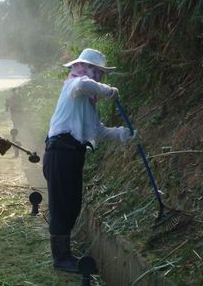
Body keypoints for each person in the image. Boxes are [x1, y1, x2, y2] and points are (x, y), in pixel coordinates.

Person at [43, 48, 137, 273]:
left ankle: (65, 254)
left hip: (73, 155)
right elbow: (84, 85)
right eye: (97, 71)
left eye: (102, 74)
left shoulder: (88, 103)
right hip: (60, 153)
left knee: (72, 204)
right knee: (62, 206)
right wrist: (108, 90)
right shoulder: (74, 85)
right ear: (86, 69)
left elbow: (98, 131)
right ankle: (61, 258)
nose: (99, 76)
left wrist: (125, 134)